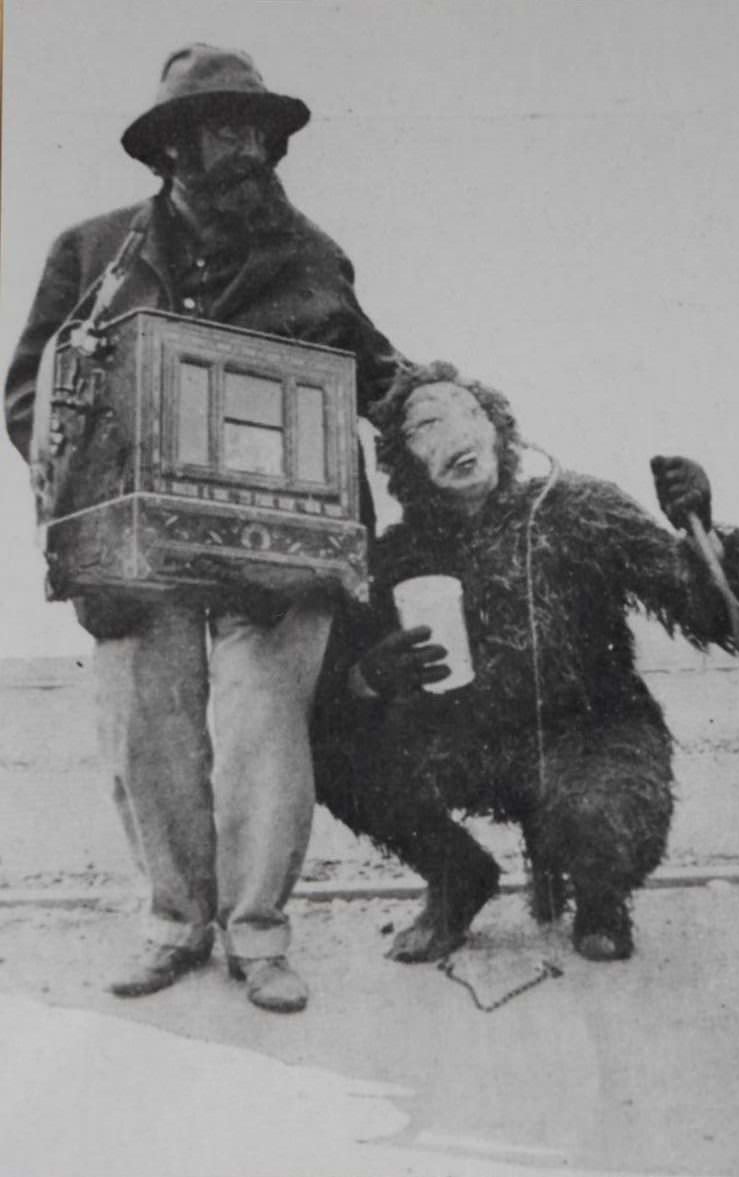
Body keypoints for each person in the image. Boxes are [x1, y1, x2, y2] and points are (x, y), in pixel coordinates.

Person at [4, 44, 402, 1011]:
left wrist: (445, 413)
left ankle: (259, 933)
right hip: (134, 553)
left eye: (255, 130)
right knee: (146, 734)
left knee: (266, 737)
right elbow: (28, 394)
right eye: (219, 127)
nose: (243, 147)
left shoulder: (312, 255)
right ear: (171, 148)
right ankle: (174, 923)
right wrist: (100, 489)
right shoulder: (93, 252)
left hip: (283, 552)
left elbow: (379, 372)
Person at [312, 363, 739, 963]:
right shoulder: (398, 554)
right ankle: (457, 876)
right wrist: (374, 675)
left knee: (602, 819)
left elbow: (714, 619)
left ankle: (601, 901)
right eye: (427, 425)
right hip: (472, 739)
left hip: (594, 731)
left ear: (501, 430)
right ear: (403, 462)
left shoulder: (579, 509)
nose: (457, 432)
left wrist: (701, 526)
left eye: (470, 414)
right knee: (330, 757)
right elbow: (339, 689)